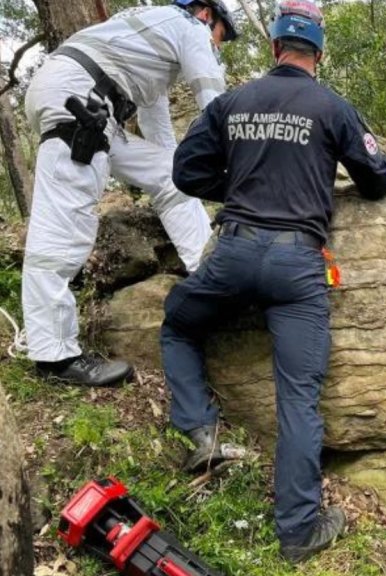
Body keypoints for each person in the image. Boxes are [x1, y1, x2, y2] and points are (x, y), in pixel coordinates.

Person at [162, 0, 386, 565]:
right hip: (297, 266)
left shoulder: (232, 102)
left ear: (274, 48)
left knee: (177, 327)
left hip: (236, 250)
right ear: (318, 51)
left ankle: (201, 433)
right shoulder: (332, 106)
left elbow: (185, 172)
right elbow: (378, 181)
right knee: (298, 397)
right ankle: (297, 531)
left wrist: (240, 186)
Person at [22, 0, 238, 387]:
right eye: (220, 38)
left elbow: (162, 137)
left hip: (85, 96)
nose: (217, 47)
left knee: (170, 175)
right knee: (65, 225)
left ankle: (206, 269)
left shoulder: (150, 43)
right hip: (80, 99)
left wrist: (188, 174)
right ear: (206, 14)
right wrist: (244, 169)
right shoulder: (189, 27)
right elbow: (215, 104)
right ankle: (54, 356)